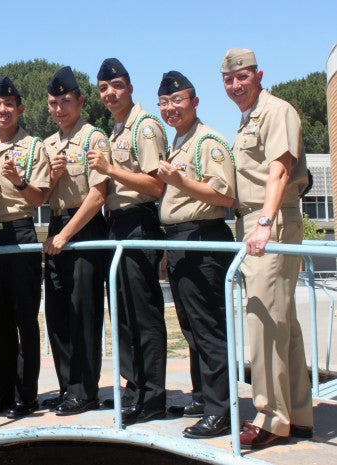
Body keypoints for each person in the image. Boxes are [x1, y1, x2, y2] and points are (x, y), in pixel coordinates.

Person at [221, 48, 313, 448]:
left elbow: (279, 168)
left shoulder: (277, 111)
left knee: (261, 318)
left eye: (242, 76)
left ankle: (270, 417)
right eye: (228, 79)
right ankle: (298, 413)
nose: (235, 84)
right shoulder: (248, 119)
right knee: (281, 321)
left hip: (270, 219)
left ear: (258, 75)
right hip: (261, 217)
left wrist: (263, 224)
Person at [155, 71, 236, 438]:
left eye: (178, 100)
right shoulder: (180, 142)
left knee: (209, 327)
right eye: (165, 103)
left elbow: (225, 196)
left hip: (202, 238)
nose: (171, 108)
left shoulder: (208, 142)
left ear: (195, 102)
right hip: (180, 240)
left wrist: (179, 181)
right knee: (190, 327)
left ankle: (222, 411)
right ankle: (205, 396)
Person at [87, 58, 167, 425]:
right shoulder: (117, 131)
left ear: (130, 87)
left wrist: (110, 170)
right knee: (123, 315)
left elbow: (156, 186)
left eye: (116, 85)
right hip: (117, 225)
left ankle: (152, 397)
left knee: (143, 314)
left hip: (139, 223)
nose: (109, 93)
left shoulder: (144, 127)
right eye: (103, 88)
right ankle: (133, 389)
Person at [0, 77, 49, 419]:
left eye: (9, 104)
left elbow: (40, 198)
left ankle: (27, 395)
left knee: (24, 319)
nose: (3, 110)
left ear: (20, 108)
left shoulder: (34, 147)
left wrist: (19, 180)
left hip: (20, 233)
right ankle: (2, 394)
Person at [41, 66, 110, 416]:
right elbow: (40, 196)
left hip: (83, 229)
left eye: (65, 101)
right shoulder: (49, 144)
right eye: (53, 103)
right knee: (57, 314)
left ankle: (85, 391)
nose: (59, 109)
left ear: (80, 101)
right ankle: (68, 386)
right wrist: (51, 176)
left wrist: (66, 235)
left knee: (84, 314)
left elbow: (98, 194)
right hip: (56, 228)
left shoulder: (92, 138)